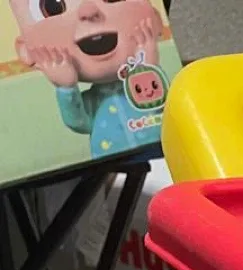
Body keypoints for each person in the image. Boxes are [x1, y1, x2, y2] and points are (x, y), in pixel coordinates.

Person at [9, 0, 169, 159]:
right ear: (26, 52)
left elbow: (162, 105)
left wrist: (146, 67)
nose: (88, 11)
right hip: (111, 168)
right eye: (53, 7)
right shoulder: (93, 101)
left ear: (156, 21)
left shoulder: (169, 84)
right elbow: (78, 122)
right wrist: (66, 87)